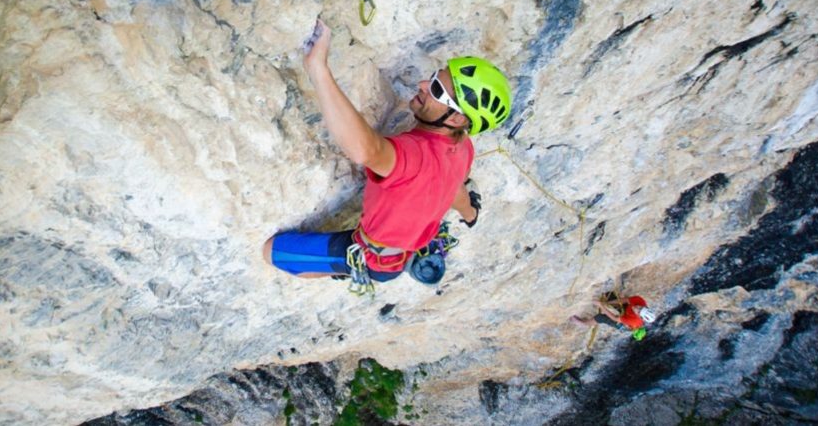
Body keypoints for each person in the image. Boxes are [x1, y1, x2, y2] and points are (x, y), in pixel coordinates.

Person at [262, 18, 511, 285]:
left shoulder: (415, 156)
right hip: (408, 246)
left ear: (457, 120)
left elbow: (364, 149)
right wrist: (470, 214)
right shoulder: (463, 149)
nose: (424, 84)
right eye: (435, 76)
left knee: (272, 251)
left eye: (437, 90)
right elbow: (455, 189)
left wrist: (317, 68)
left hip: (377, 261)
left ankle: (346, 268)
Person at [570, 291, 657, 340]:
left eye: (638, 311)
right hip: (627, 312)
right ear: (644, 306)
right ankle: (609, 301)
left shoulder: (633, 320)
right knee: (610, 295)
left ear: (640, 317)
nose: (637, 308)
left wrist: (601, 306)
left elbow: (615, 318)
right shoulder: (639, 301)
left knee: (601, 317)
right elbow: (625, 300)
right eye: (640, 307)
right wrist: (607, 303)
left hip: (625, 323)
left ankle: (583, 324)